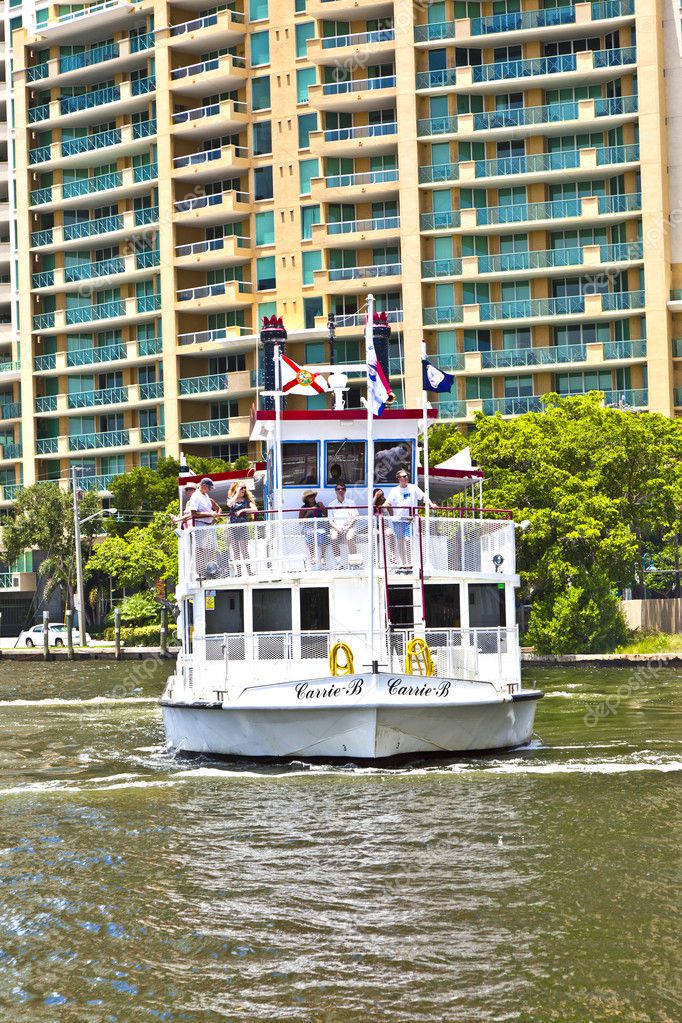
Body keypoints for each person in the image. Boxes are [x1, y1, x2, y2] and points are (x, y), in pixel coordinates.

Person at [386, 470, 434, 570]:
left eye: (407, 475)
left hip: (409, 520)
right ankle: (404, 564)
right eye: (404, 476)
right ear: (399, 479)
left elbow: (424, 496)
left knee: (407, 540)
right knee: (400, 542)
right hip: (398, 520)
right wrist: (385, 507)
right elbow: (387, 502)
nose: (406, 477)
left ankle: (409, 563)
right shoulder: (395, 490)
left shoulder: (413, 488)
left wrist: (430, 503)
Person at [186, 478, 221, 572]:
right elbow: (193, 514)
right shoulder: (195, 496)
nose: (211, 490)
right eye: (210, 488)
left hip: (209, 526)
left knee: (212, 549)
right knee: (200, 550)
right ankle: (201, 572)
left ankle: (213, 571)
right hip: (200, 526)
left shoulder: (205, 495)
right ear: (204, 485)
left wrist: (214, 518)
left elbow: (217, 508)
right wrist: (210, 514)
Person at [227, 482, 257, 575]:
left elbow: (255, 509)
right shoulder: (232, 499)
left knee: (244, 550)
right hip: (232, 528)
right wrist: (236, 494)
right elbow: (229, 504)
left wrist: (243, 510)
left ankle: (249, 572)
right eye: (241, 488)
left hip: (243, 527)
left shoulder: (247, 500)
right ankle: (239, 572)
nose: (243, 490)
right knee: (236, 551)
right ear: (236, 489)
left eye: (244, 488)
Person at [328, 483, 359, 569]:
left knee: (350, 538)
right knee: (333, 537)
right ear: (335, 491)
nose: (340, 491)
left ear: (345, 491)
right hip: (336, 527)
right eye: (338, 489)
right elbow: (330, 521)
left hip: (349, 527)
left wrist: (348, 527)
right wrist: (338, 528)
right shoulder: (331, 504)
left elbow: (355, 517)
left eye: (342, 489)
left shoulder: (351, 502)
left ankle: (354, 563)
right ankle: (339, 563)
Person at [299, 489, 329, 567]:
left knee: (323, 533)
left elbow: (326, 516)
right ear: (306, 499)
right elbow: (300, 522)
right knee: (309, 534)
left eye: (312, 496)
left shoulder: (319, 504)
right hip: (309, 527)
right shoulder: (303, 508)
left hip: (320, 526)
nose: (311, 498)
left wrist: (322, 507)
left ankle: (323, 557)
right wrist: (308, 513)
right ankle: (313, 556)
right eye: (309, 497)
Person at [373, 488, 396, 565]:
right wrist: (376, 496)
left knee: (391, 534)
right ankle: (375, 556)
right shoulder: (373, 504)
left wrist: (390, 508)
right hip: (376, 526)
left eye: (382, 494)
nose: (382, 496)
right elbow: (371, 508)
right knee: (375, 535)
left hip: (385, 526)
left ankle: (392, 557)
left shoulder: (386, 503)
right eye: (380, 495)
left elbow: (391, 513)